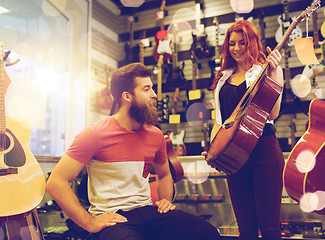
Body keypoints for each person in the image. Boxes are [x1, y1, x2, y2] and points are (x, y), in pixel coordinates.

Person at [46, 62, 221, 240]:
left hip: (146, 211)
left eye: (152, 88)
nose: (154, 95)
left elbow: (165, 175)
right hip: (113, 217)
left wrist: (165, 200)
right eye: (146, 89)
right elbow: (56, 182)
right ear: (127, 96)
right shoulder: (95, 133)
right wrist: (89, 222)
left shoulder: (155, 135)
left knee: (208, 233)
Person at [203, 20, 285, 239]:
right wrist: (213, 151)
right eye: (232, 43)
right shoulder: (222, 78)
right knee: (246, 228)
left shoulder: (265, 70)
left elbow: (273, 114)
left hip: (264, 152)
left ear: (252, 43)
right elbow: (220, 123)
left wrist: (275, 73)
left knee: (269, 228)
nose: (237, 48)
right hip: (234, 157)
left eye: (242, 42)